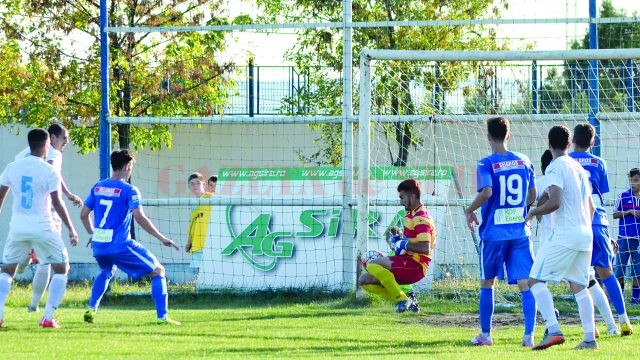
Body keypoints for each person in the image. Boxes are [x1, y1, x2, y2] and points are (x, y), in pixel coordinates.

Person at [80, 149, 181, 325]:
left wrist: (93, 233)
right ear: (127, 166)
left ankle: (91, 309)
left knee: (106, 271)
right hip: (120, 244)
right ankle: (162, 317)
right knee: (158, 271)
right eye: (132, 167)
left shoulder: (98, 187)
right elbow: (140, 217)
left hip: (99, 245)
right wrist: (161, 237)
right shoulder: (129, 190)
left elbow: (83, 214)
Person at [464, 116, 537, 347]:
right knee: (526, 284)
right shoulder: (524, 161)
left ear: (488, 137)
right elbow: (533, 194)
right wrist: (520, 211)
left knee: (488, 283)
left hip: (494, 234)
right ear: (508, 135)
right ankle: (528, 337)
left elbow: (486, 192)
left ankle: (485, 335)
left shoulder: (485, 163)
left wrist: (469, 209)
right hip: (519, 232)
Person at [525, 125, 597, 350]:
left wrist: (534, 211)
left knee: (534, 280)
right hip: (586, 234)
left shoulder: (555, 167)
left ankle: (554, 330)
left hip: (567, 234)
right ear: (569, 144)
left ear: (549, 145)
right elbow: (591, 208)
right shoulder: (579, 168)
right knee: (579, 286)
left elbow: (554, 201)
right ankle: (589, 339)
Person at [0, 128, 79, 328]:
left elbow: (1, 197)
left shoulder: (12, 167)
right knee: (62, 267)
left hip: (18, 227)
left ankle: (0, 314)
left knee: (8, 270)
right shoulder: (49, 169)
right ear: (46, 145)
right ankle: (48, 316)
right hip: (44, 227)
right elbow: (57, 202)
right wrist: (71, 228)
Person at [569, 123, 632, 336]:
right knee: (607, 273)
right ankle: (623, 320)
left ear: (572, 140)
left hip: (576, 221)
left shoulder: (565, 162)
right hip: (598, 220)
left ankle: (592, 326)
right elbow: (600, 193)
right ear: (593, 142)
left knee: (579, 277)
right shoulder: (599, 162)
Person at [358, 179, 435, 313]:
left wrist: (403, 243)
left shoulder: (421, 218)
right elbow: (411, 242)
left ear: (412, 196)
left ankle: (402, 299)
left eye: (402, 197)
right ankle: (409, 302)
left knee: (372, 265)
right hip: (408, 261)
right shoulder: (411, 215)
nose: (401, 201)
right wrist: (399, 241)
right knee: (364, 280)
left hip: (416, 265)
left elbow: (425, 248)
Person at [613, 168, 640, 308]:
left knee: (638, 271)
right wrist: (629, 211)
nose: (632, 183)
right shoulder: (622, 195)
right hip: (624, 239)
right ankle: (620, 300)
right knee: (619, 271)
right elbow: (614, 214)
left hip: (639, 240)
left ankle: (635, 302)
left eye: (636, 180)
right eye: (631, 180)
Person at [186, 172, 213, 282]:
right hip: (196, 243)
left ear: (204, 185)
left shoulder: (212, 199)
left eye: (198, 183)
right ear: (189, 187)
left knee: (211, 271)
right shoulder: (192, 203)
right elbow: (193, 223)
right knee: (198, 274)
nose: (195, 186)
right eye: (192, 184)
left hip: (210, 242)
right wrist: (189, 241)